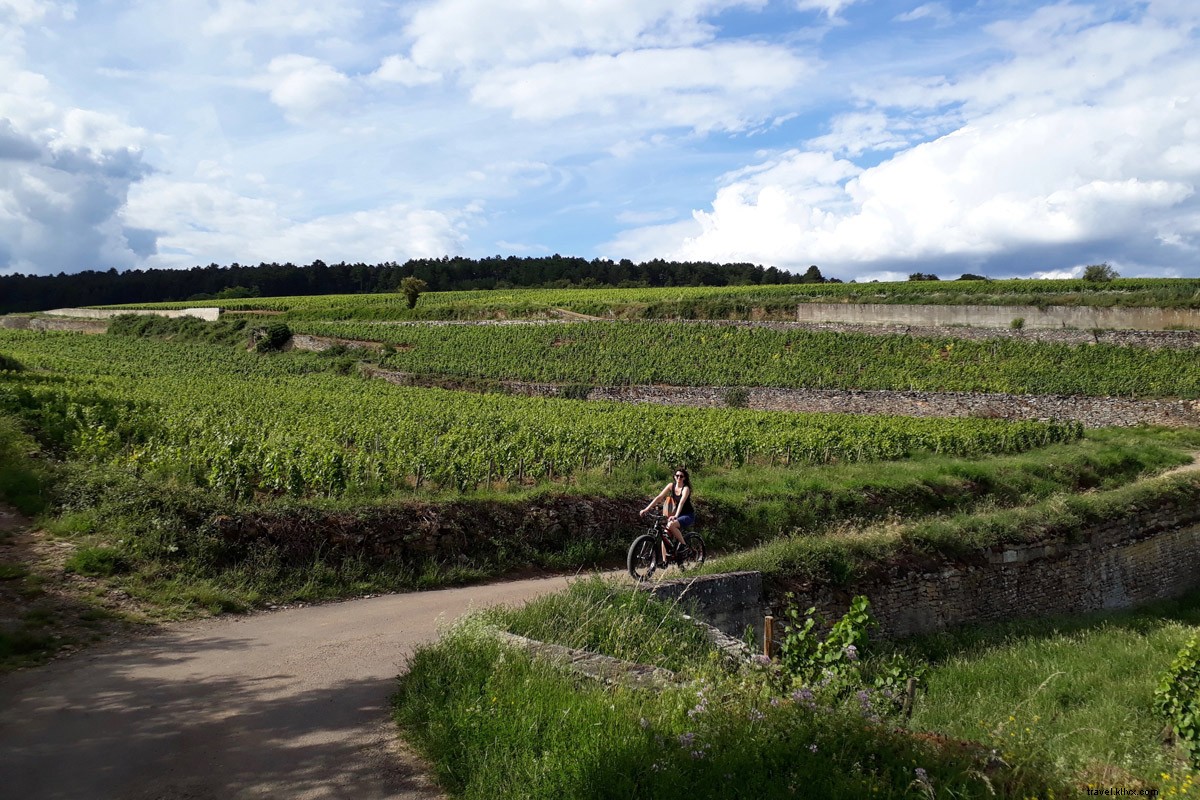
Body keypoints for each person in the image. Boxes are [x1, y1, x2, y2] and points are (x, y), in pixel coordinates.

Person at [640, 468, 695, 563]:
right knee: (665, 535)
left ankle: (683, 545)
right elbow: (659, 497)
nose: (679, 478)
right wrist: (646, 509)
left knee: (671, 525)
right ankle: (665, 561)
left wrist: (676, 516)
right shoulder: (671, 486)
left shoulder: (686, 489)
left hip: (687, 515)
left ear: (684, 478)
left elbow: (681, 502)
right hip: (675, 515)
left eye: (681, 476)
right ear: (674, 477)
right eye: (677, 476)